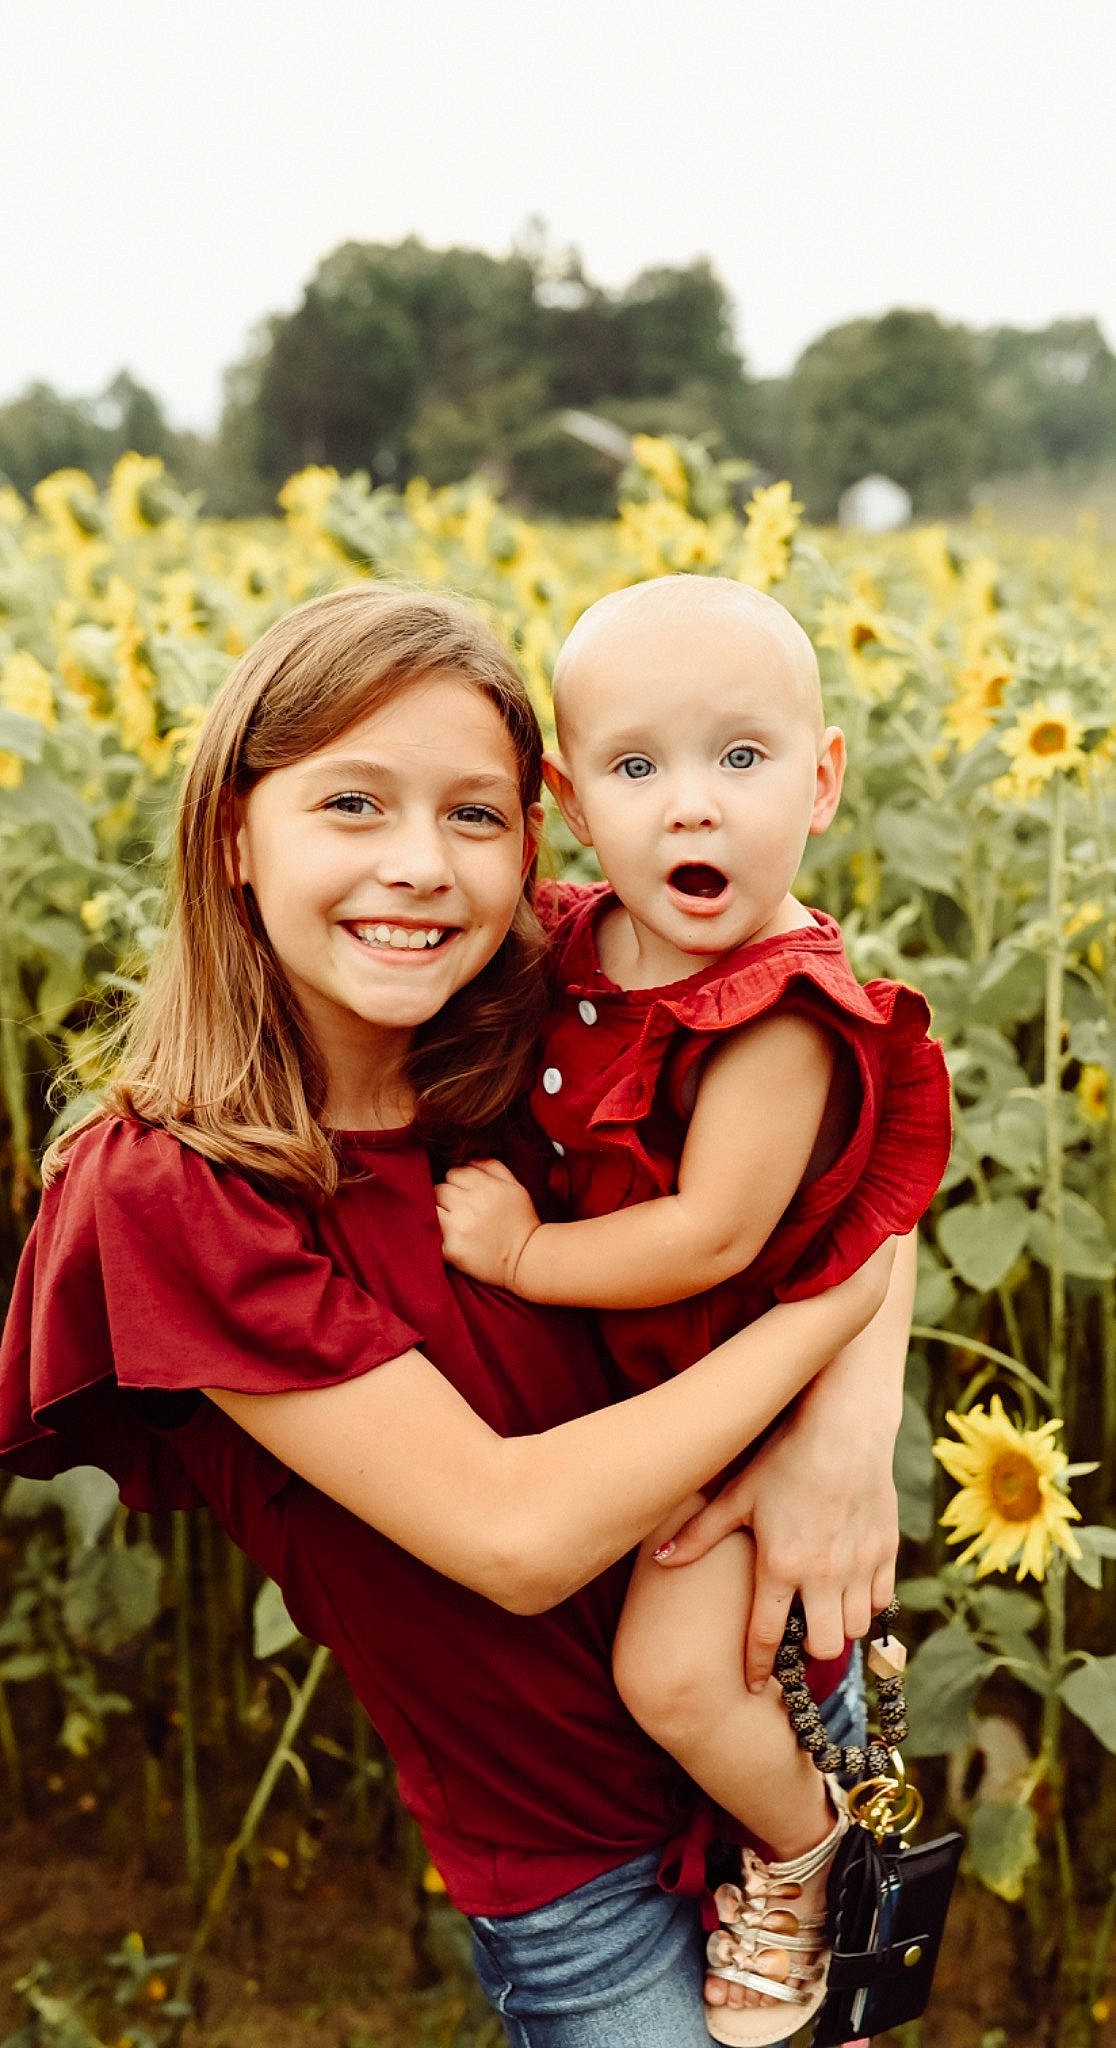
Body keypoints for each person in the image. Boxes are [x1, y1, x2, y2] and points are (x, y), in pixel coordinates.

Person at [0, 584, 912, 2048]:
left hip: (778, 1724)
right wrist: (818, 1338)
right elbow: (515, 1536)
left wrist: (846, 1446)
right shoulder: (171, 1188)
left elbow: (861, 1152)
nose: (419, 869)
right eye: (352, 804)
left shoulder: (573, 999)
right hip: (577, 1867)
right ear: (235, 832)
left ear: (535, 834)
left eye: (474, 816)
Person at [436, 576, 951, 2044]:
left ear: (825, 777)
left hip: (738, 1415)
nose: (693, 810)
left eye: (742, 759)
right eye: (639, 766)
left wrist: (526, 1260)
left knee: (673, 1671)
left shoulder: (779, 1015)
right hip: (646, 1405)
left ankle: (807, 1852)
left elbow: (709, 1231)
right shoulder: (573, 942)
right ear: (569, 800)